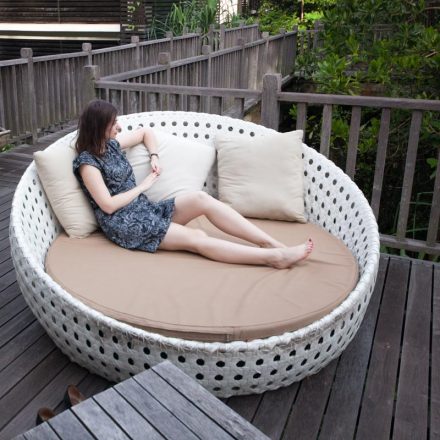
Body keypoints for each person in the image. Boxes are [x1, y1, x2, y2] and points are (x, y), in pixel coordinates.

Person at [73, 99, 313, 269]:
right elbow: (107, 205)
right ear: (99, 128)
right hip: (125, 224)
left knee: (201, 199)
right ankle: (275, 258)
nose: (119, 127)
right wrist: (143, 186)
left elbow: (145, 132)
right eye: (113, 123)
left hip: (144, 209)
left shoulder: (111, 146)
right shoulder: (88, 163)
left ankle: (270, 243)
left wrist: (154, 156)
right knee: (196, 237)